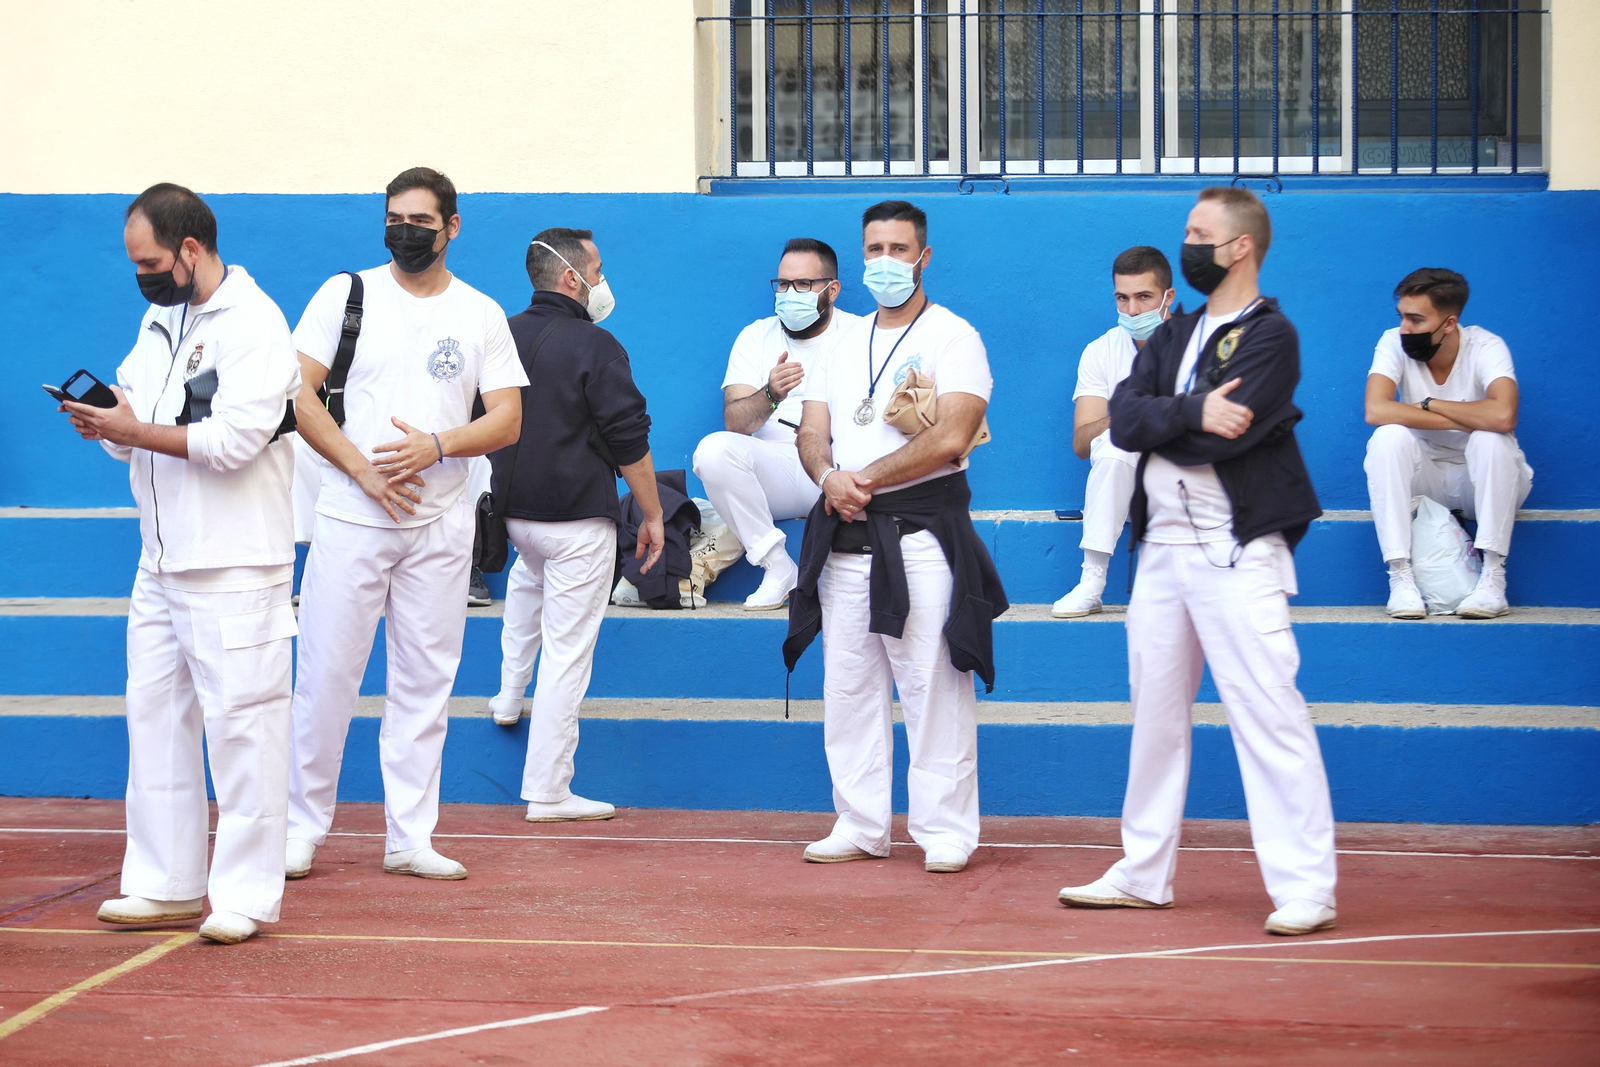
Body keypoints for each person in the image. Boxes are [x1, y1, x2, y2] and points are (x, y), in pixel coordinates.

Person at [1057, 187, 1338, 937]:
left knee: (1267, 711)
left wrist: (1165, 422)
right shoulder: (1171, 336)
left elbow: (1229, 438)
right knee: (1154, 717)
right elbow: (1121, 418)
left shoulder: (1272, 336)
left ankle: (1306, 883)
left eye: (1198, 232)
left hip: (1236, 549)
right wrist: (1186, 411)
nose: (1187, 241)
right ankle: (1143, 872)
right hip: (1162, 556)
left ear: (1239, 246)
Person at [65, 184, 300, 944]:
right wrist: (108, 425)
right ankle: (164, 881)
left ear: (191, 251)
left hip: (235, 564)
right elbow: (137, 414)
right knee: (155, 723)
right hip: (161, 561)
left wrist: (137, 427)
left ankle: (246, 894)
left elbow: (233, 443)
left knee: (244, 732)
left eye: (151, 262)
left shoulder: (257, 326)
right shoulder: (159, 317)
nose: (142, 275)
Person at [284, 167, 527, 881]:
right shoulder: (345, 293)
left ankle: (410, 835)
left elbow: (508, 417)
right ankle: (302, 827)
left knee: (425, 682)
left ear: (452, 227)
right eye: (394, 217)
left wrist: (439, 444)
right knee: (325, 675)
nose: (405, 231)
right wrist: (361, 468)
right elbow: (294, 391)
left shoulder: (480, 313)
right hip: (352, 516)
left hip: (442, 522)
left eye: (421, 220)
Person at [787, 200, 1006, 875]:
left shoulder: (953, 336)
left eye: (899, 249)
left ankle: (945, 827)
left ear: (924, 256)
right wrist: (829, 477)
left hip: (918, 535)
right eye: (874, 249)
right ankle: (860, 820)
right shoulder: (844, 339)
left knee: (932, 685)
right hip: (847, 532)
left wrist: (866, 479)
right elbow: (811, 428)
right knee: (849, 688)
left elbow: (954, 432)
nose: (886, 261)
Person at [486, 227, 665, 823]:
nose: (603, 281)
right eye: (598, 269)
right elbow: (629, 439)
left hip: (513, 517)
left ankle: (509, 696)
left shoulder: (501, 334)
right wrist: (654, 513)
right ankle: (549, 790)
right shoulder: (597, 345)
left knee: (525, 586)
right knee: (568, 654)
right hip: (576, 521)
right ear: (572, 278)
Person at [692, 239, 862, 610]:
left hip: (838, 472)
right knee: (713, 450)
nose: (789, 294)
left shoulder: (861, 336)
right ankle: (777, 565)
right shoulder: (756, 336)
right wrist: (770, 393)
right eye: (783, 284)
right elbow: (735, 423)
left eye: (803, 284)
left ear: (831, 290)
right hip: (778, 470)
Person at [1363, 268, 1531, 619]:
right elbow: (1376, 409)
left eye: (1415, 319)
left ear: (1449, 323)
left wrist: (1427, 404)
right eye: (1402, 317)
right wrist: (1469, 415)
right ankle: (1401, 578)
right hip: (1427, 484)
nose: (1405, 328)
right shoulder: (1392, 341)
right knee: (1387, 437)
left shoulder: (1486, 346)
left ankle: (1492, 580)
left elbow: (1503, 416)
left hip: (1482, 481)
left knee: (1491, 439)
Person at [1052, 246, 1176, 618]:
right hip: (1130, 475)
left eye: (1144, 297)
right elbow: (1081, 442)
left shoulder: (1199, 345)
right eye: (1122, 298)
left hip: (1189, 471)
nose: (1133, 311)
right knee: (1112, 445)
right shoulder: (1101, 351)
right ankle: (1092, 582)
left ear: (1168, 297)